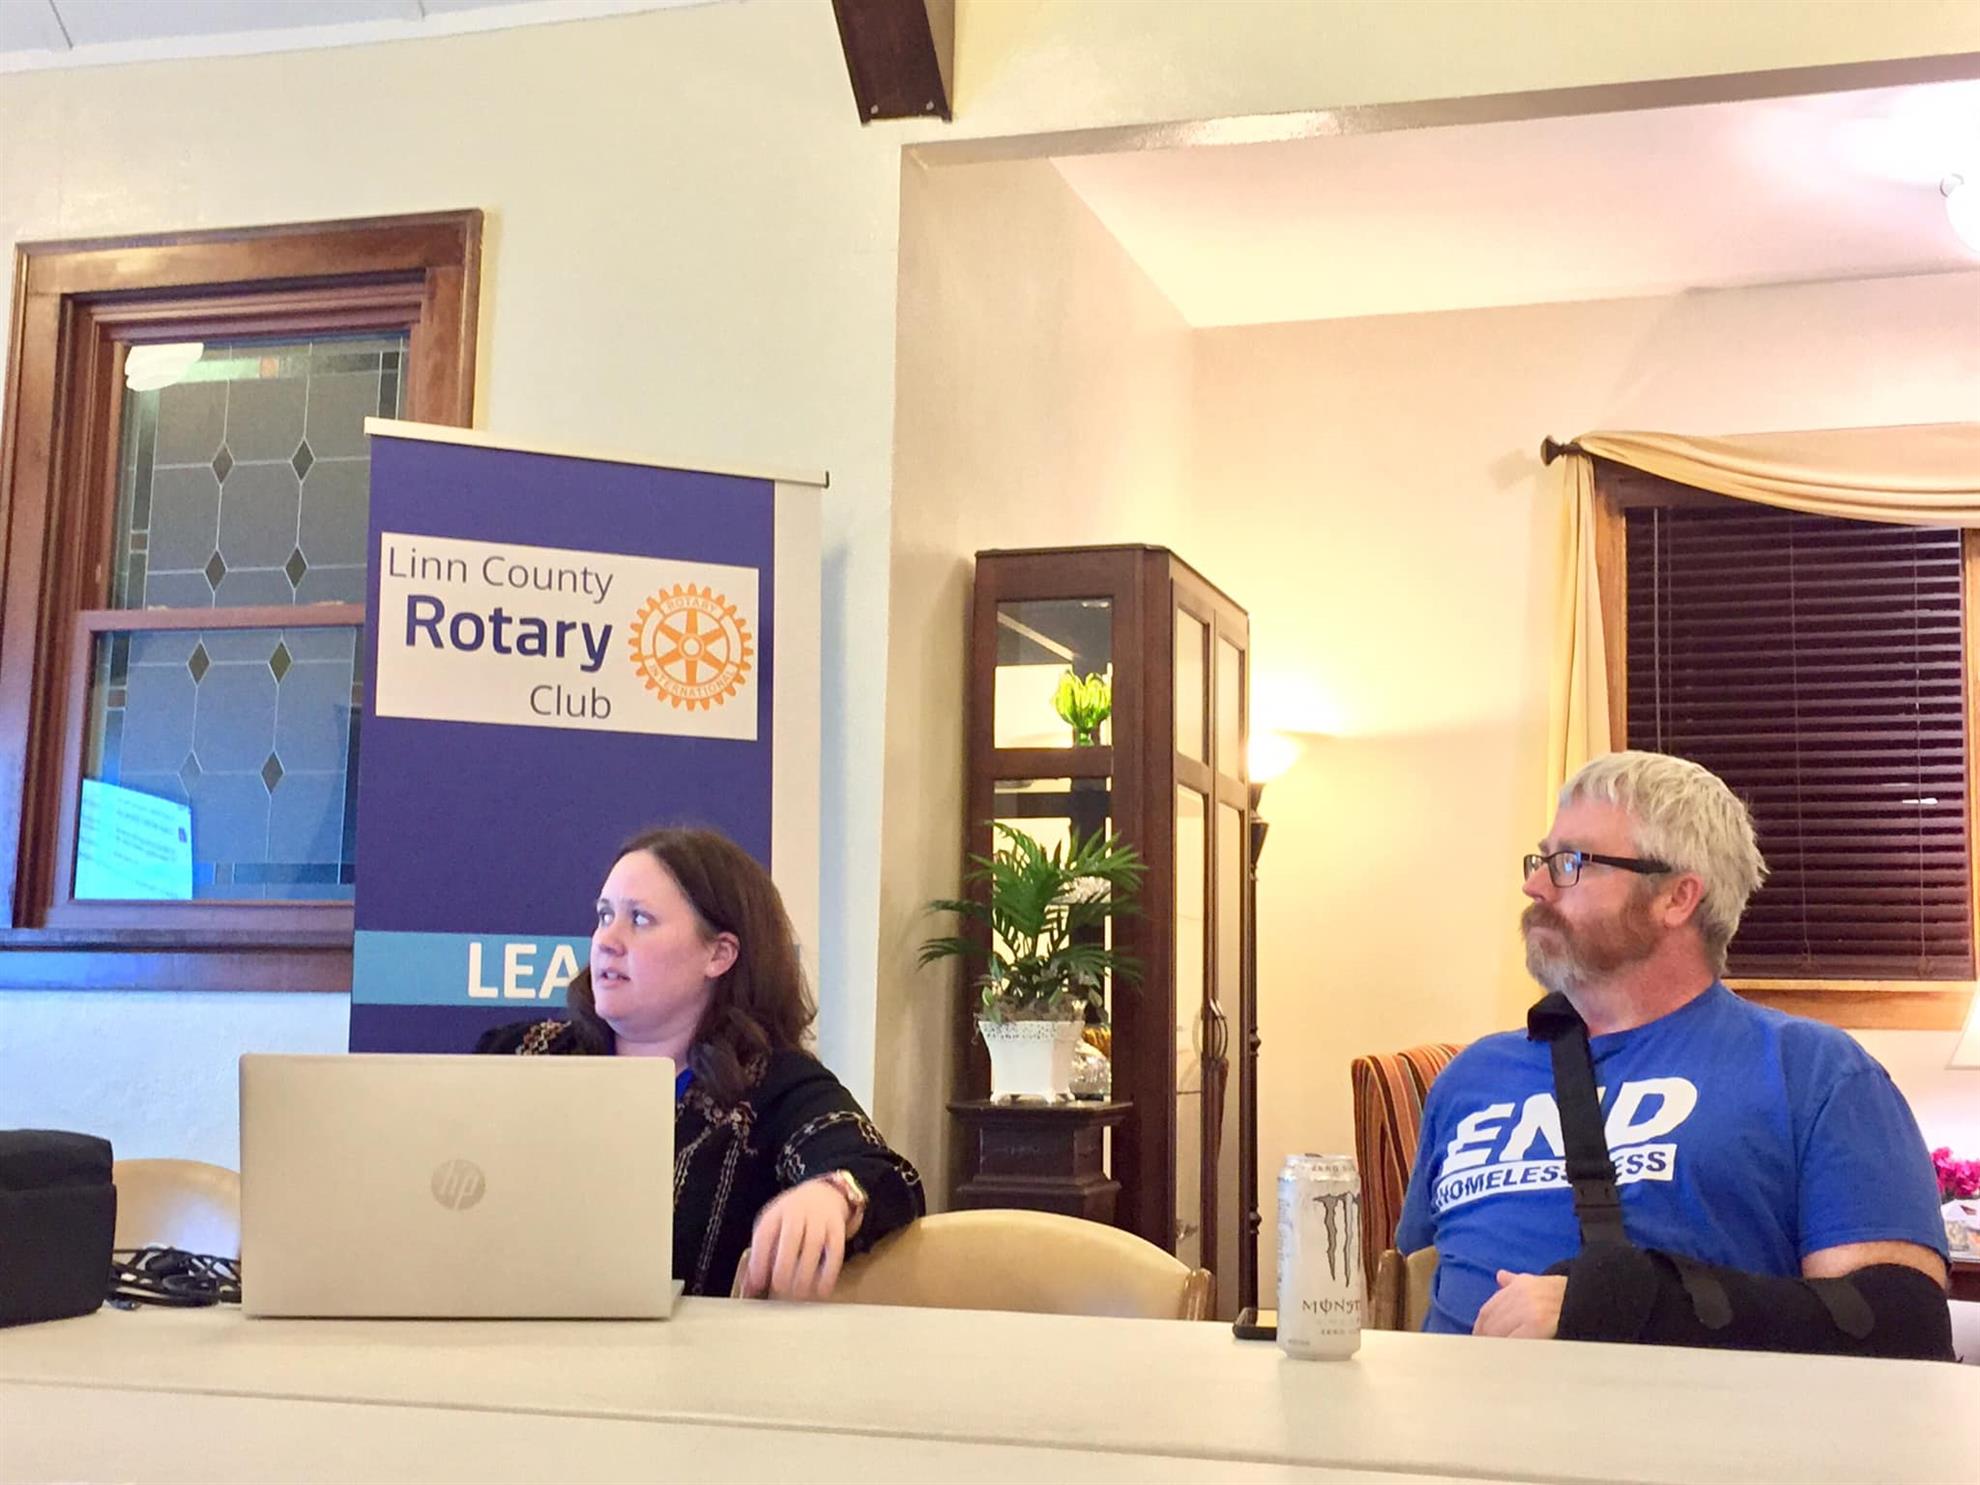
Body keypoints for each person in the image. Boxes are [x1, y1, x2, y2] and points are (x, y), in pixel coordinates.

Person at [1396, 750, 1950, 1349]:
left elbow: (1898, 1323)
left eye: (1570, 862)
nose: (1535, 885)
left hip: (1685, 1411)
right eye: (1542, 859)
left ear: (1676, 898)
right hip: (1451, 1406)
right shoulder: (1471, 1077)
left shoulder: (1815, 1073)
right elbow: (1407, 1285)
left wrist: (1631, 1305)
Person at [477, 826, 924, 1300]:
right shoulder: (520, 1053)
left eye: (640, 919)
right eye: (605, 915)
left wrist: (832, 1194)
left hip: (693, 1347)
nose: (607, 939)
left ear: (718, 954)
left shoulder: (774, 1086)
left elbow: (885, 1174)